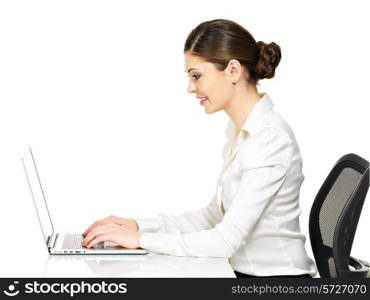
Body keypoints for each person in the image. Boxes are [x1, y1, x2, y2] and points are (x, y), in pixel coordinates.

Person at [82, 19, 318, 278]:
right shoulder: (240, 134)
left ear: (233, 71)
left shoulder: (270, 139)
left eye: (197, 76)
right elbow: (214, 217)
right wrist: (138, 226)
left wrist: (141, 240)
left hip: (279, 283)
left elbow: (226, 240)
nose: (190, 87)